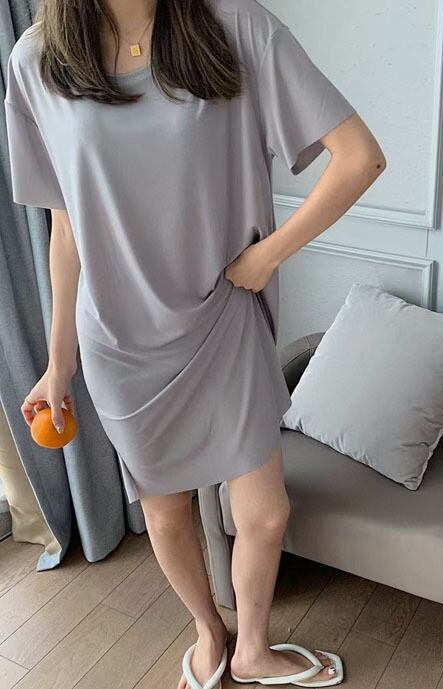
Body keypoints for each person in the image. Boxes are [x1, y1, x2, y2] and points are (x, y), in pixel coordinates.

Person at [4, 0, 385, 686]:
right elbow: (66, 227)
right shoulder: (36, 60)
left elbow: (360, 157)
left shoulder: (236, 26)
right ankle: (209, 630)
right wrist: (58, 363)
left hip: (224, 316)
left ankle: (254, 646)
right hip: (120, 341)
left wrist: (268, 256)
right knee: (165, 511)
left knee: (265, 513)